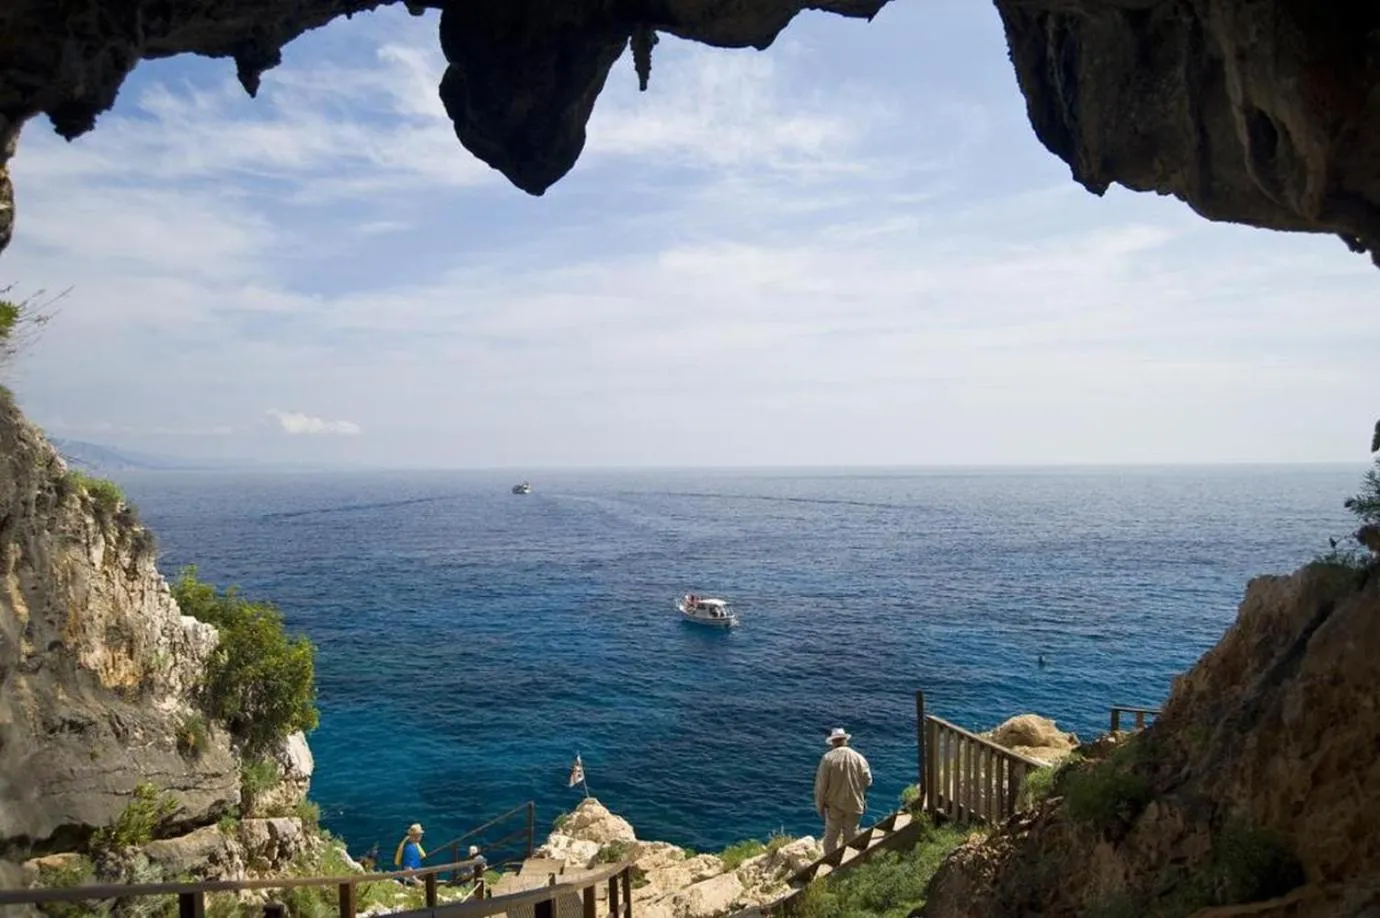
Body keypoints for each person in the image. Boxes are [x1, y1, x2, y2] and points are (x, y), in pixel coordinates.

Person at [814, 727, 872, 855]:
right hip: (855, 804)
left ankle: (831, 863)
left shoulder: (828, 759)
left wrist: (819, 806)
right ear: (845, 740)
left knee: (830, 838)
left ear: (833, 742)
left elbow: (821, 786)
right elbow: (868, 781)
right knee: (851, 836)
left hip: (834, 806)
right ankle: (848, 864)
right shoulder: (859, 758)